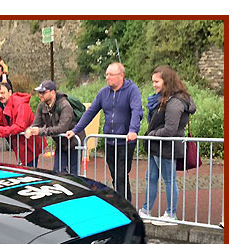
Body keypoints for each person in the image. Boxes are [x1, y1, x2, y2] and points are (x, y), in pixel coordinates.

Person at [67, 62, 143, 202]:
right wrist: (75, 130)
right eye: (106, 74)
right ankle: (120, 202)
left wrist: (133, 130)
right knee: (115, 175)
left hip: (125, 141)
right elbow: (90, 112)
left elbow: (136, 111)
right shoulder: (104, 93)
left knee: (121, 175)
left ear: (121, 76)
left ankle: (126, 205)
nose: (107, 77)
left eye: (111, 75)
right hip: (109, 141)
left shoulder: (132, 90)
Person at [138, 66, 197, 221]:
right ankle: (146, 210)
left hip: (166, 147)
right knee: (150, 178)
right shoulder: (165, 99)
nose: (154, 84)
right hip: (156, 147)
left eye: (157, 81)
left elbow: (170, 129)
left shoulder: (175, 102)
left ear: (167, 81)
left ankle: (171, 214)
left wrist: (151, 135)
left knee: (169, 180)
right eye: (153, 81)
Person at [25, 80, 84, 175]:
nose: (40, 95)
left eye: (43, 92)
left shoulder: (65, 105)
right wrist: (30, 129)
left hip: (74, 143)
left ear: (53, 92)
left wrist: (40, 131)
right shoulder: (41, 106)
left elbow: (62, 128)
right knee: (57, 172)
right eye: (39, 92)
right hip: (60, 143)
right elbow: (36, 123)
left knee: (74, 175)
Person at [0, 82, 45, 167]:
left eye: (3, 93)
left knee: (30, 172)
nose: (0, 96)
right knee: (24, 169)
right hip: (20, 145)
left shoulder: (21, 104)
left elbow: (20, 126)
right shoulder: (1, 106)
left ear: (10, 92)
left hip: (30, 145)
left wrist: (1, 130)